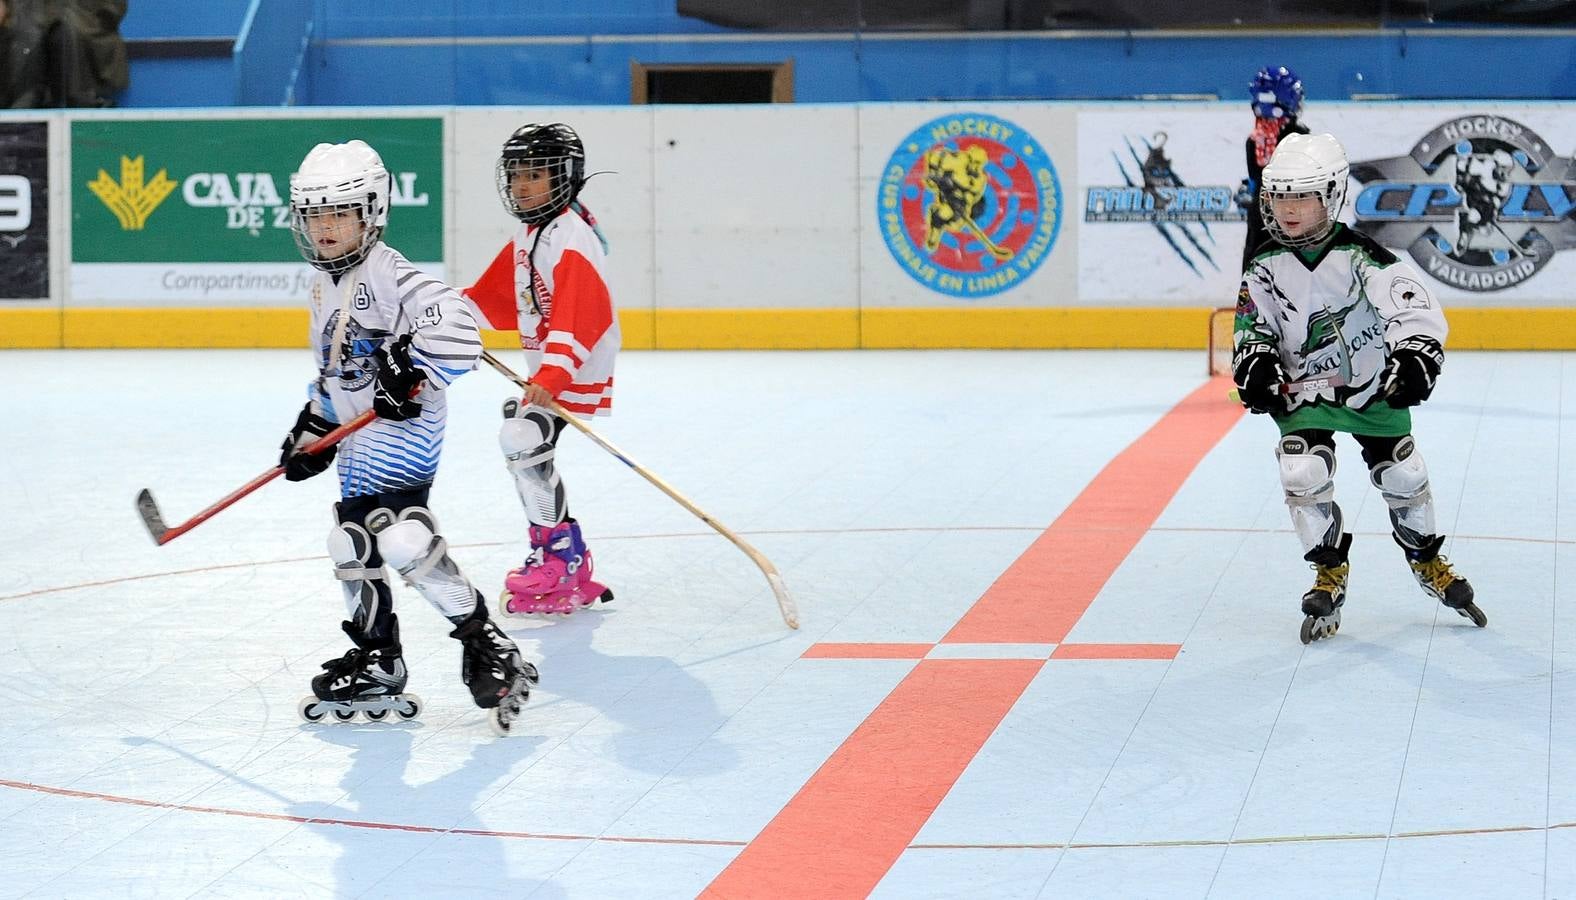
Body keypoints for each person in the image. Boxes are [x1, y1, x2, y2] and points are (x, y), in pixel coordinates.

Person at [280, 139, 539, 734]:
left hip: (403, 434)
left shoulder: (392, 274)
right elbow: (335, 371)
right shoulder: (323, 285)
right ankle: (379, 659)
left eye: (338, 213)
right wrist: (313, 428)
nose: (324, 227)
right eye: (315, 214)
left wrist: (412, 369)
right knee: (350, 543)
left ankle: (486, 643)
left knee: (397, 538)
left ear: (372, 213)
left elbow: (459, 333)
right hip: (356, 442)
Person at [1231, 132, 1484, 645]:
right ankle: (1328, 571)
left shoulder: (1362, 257)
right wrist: (1255, 362)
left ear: (1331, 195)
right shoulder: (1263, 265)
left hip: (1370, 390)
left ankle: (1429, 560)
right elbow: (1252, 325)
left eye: (1301, 196)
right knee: (1302, 473)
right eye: (1279, 197)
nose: (1288, 209)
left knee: (1405, 478)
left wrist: (1415, 355)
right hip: (1302, 396)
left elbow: (1410, 310)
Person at [463, 122, 621, 618]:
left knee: (520, 437)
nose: (522, 186)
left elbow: (583, 314)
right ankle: (561, 552)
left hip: (572, 371)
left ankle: (561, 555)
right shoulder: (532, 233)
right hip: (551, 370)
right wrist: (445, 322)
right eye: (515, 175)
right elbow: (492, 297)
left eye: (536, 174)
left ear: (565, 178)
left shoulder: (570, 236)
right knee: (524, 441)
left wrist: (552, 376)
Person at [1238, 64, 1309, 270]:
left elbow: (1254, 183)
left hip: (1262, 211)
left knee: (1254, 257)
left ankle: (1250, 298)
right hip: (1293, 214)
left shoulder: (1254, 140)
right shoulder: (1300, 138)